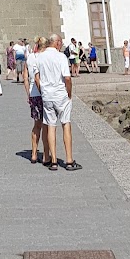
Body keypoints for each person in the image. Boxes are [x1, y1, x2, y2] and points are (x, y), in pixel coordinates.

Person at [34, 34, 81, 172]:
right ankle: (69, 160)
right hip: (61, 94)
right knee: (66, 124)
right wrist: (69, 93)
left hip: (47, 95)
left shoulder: (39, 57)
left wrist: (42, 91)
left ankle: (53, 160)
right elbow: (67, 78)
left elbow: (37, 78)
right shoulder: (61, 57)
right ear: (57, 43)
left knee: (51, 126)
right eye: (61, 42)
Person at [24, 37, 50, 165]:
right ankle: (46, 155)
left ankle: (34, 154)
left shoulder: (30, 57)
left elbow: (25, 78)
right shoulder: (44, 58)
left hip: (33, 95)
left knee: (36, 125)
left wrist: (28, 93)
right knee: (46, 125)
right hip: (45, 94)